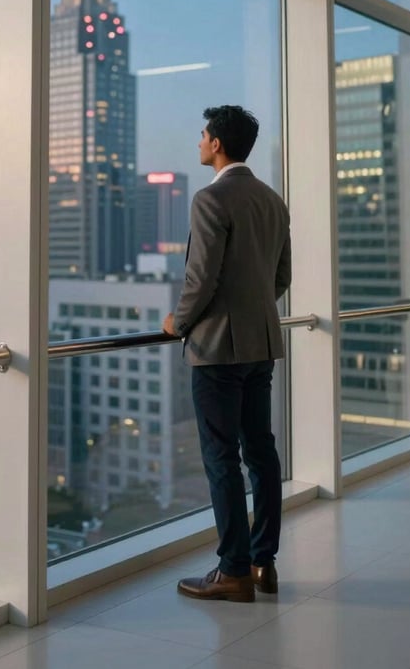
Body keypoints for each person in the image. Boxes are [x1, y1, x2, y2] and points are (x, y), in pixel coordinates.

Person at [162, 105, 291, 603]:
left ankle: (233, 571)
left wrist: (179, 322)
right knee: (260, 452)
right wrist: (250, 314)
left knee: (221, 458)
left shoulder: (211, 198)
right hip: (261, 344)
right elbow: (281, 278)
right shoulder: (273, 201)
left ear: (217, 143)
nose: (198, 142)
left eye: (202, 135)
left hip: (217, 350)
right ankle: (263, 564)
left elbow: (201, 279)